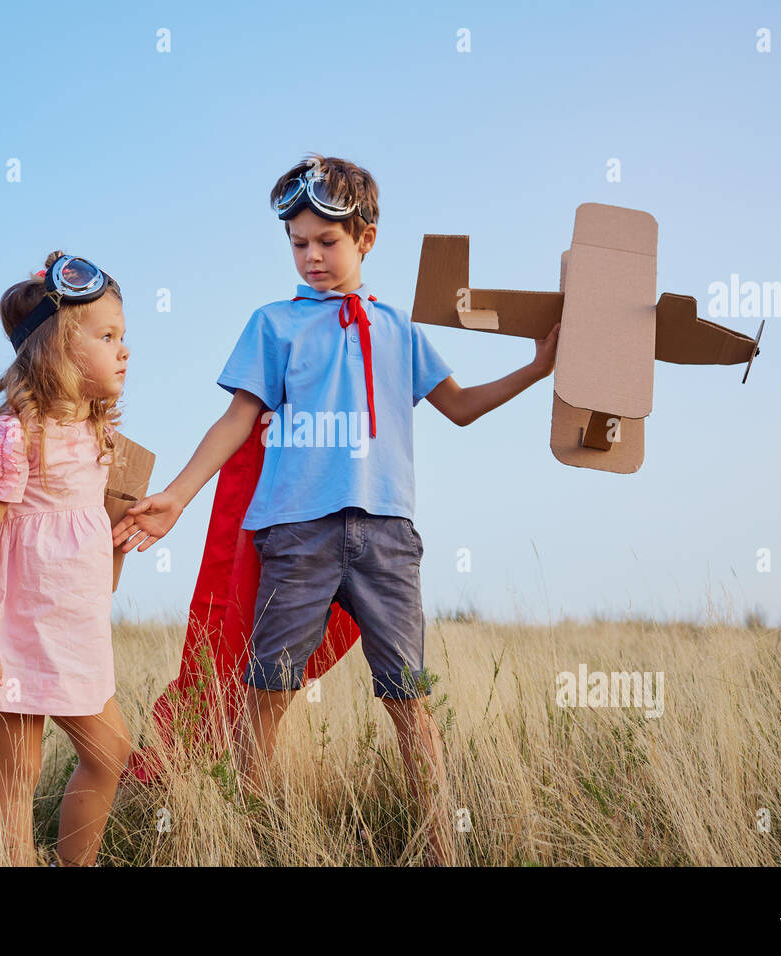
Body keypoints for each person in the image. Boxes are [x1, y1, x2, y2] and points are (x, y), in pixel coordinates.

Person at [112, 154, 560, 865]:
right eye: (299, 243)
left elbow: (463, 408)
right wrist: (176, 494)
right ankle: (254, 843)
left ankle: (441, 847)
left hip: (386, 536)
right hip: (296, 534)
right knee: (267, 693)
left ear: (367, 239)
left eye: (328, 241)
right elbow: (236, 421)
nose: (312, 256)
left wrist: (537, 369)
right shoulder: (275, 325)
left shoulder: (401, 331)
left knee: (409, 698)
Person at [0, 251, 133, 867]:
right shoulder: (13, 436)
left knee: (112, 752)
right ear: (58, 352)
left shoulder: (96, 432)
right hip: (9, 632)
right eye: (106, 337)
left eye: (123, 336)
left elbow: (80, 531)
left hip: (73, 630)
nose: (123, 350)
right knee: (15, 779)